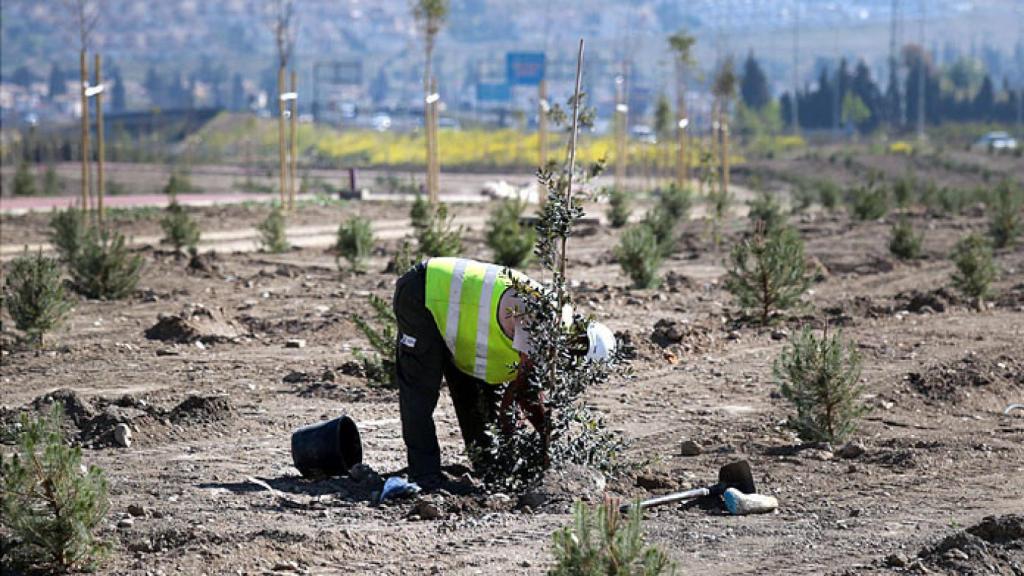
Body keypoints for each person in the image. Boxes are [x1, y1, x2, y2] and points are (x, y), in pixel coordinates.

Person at [392, 257, 616, 488]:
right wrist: (549, 440)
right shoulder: (545, 319)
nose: (568, 368)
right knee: (419, 388)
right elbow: (527, 391)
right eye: (575, 362)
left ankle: (489, 466)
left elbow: (521, 389)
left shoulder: (556, 328)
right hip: (424, 291)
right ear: (577, 344)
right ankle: (424, 475)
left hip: (458, 320)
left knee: (479, 400)